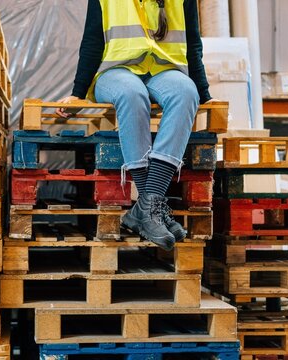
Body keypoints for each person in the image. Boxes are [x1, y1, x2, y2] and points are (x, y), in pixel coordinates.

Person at [57, 0, 215, 251]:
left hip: (163, 70)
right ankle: (152, 207)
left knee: (186, 93)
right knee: (132, 95)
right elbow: (92, 41)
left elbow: (193, 45)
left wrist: (204, 94)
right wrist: (78, 92)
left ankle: (146, 206)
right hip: (115, 72)